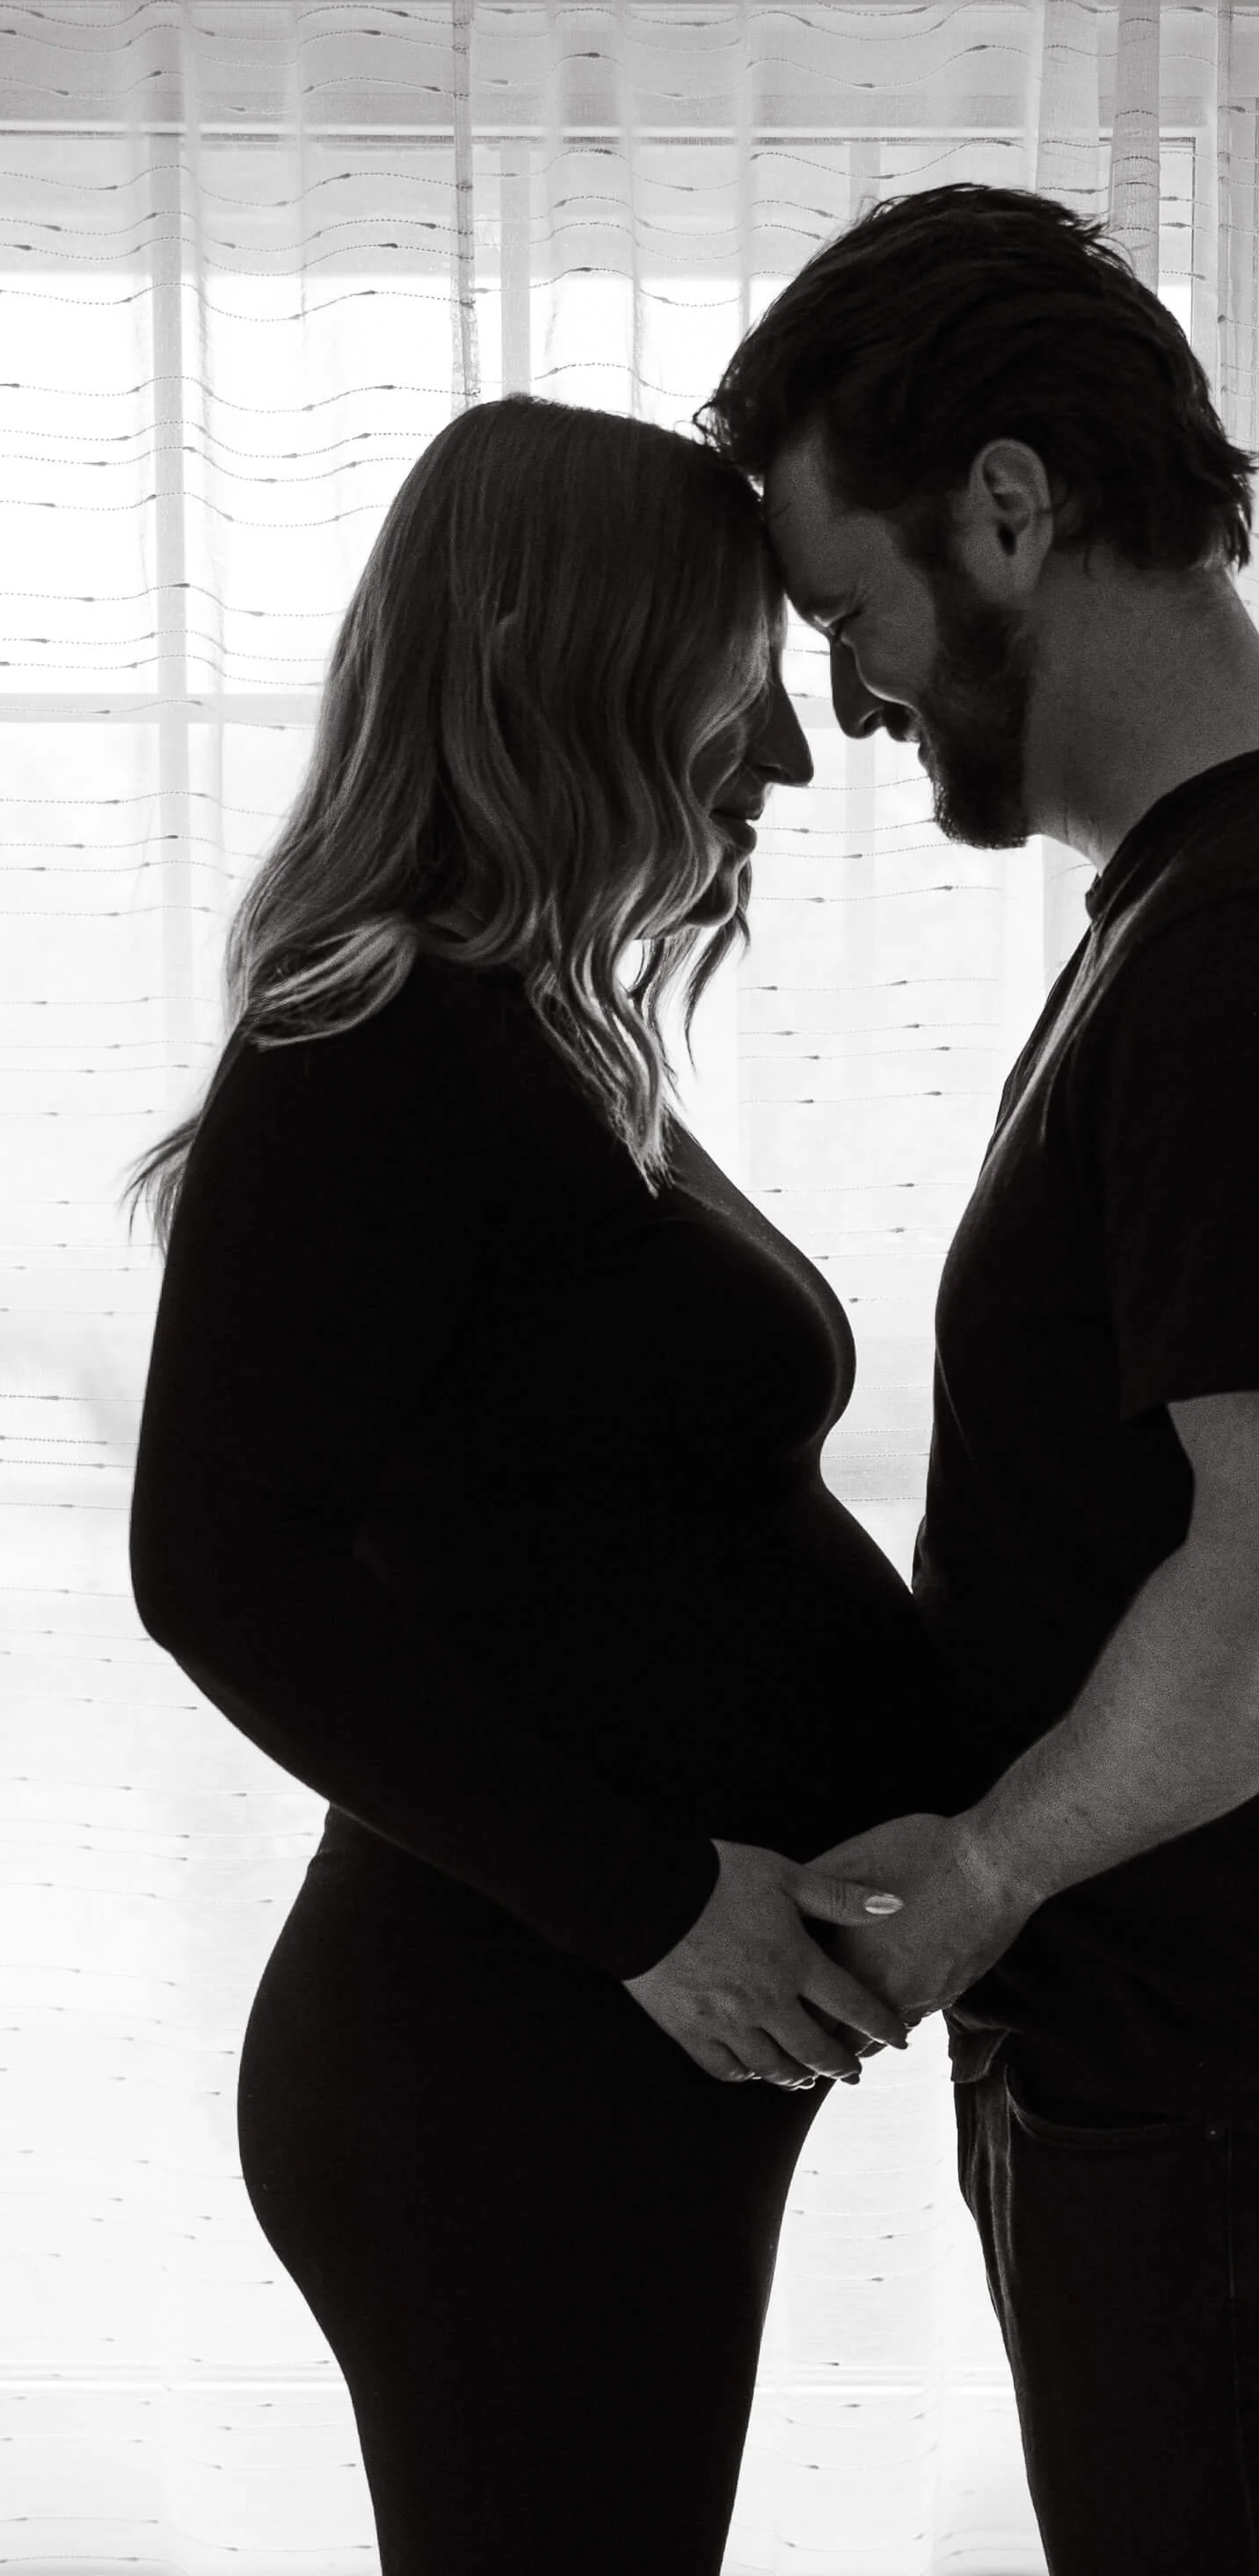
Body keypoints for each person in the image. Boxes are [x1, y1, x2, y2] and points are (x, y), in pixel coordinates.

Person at [690, 182, 1259, 2571]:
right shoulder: (1223, 903)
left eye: (847, 608)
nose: (845, 696)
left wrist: (990, 1866)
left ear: (1008, 505)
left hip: (1255, 2108)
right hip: (1233, 2093)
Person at [121, 395, 990, 2574]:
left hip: (601, 2057)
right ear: (581, 665)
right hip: (504, 2062)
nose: (790, 755)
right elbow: (219, 1567)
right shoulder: (371, 1040)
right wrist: (647, 1902)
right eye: (741, 676)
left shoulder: (525, 1029)